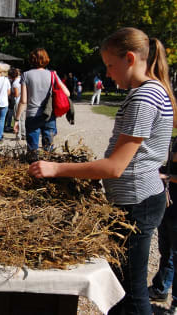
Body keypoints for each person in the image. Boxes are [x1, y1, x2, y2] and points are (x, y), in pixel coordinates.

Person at [28, 27, 176, 315]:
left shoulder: (145, 97)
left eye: (110, 65)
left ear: (130, 58)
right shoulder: (147, 92)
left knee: (132, 296)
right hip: (138, 200)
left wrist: (56, 168)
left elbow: (115, 167)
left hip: (137, 204)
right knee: (120, 291)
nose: (107, 73)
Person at [13, 48, 70, 151]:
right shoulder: (52, 74)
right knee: (48, 150)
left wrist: (16, 120)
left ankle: (33, 165)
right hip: (49, 116)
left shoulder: (26, 75)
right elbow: (67, 93)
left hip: (32, 116)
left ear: (32, 60)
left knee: (32, 151)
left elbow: (23, 101)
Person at [148, 137, 177, 315]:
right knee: (166, 250)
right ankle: (161, 288)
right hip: (170, 205)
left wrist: (166, 176)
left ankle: (175, 303)